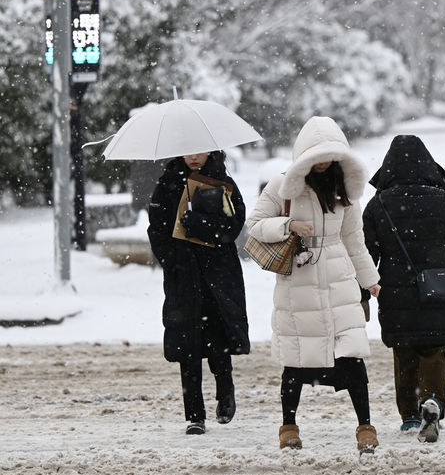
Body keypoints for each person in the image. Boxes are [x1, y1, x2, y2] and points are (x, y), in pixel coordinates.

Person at [245, 116, 382, 452]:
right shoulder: (282, 186)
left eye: (329, 155)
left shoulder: (345, 188)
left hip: (339, 282)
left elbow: (353, 240)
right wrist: (288, 224)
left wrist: (371, 280)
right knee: (295, 361)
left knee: (352, 357)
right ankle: (288, 427)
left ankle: (365, 427)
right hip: (299, 283)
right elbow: (254, 225)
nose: (323, 162)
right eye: (316, 155)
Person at [362, 135, 445, 443]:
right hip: (435, 289)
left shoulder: (378, 204)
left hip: (394, 292)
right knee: (433, 350)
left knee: (404, 350)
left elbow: (367, 253)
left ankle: (408, 415)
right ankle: (432, 402)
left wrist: (368, 289)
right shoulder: (441, 199)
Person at [147, 151, 250, 435]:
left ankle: (225, 391)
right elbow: (156, 229)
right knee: (187, 344)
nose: (194, 157)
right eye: (188, 152)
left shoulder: (222, 182)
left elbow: (234, 224)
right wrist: (173, 260)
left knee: (219, 337)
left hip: (218, 275)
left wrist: (202, 224)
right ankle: (194, 414)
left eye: (200, 151)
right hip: (183, 277)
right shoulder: (167, 183)